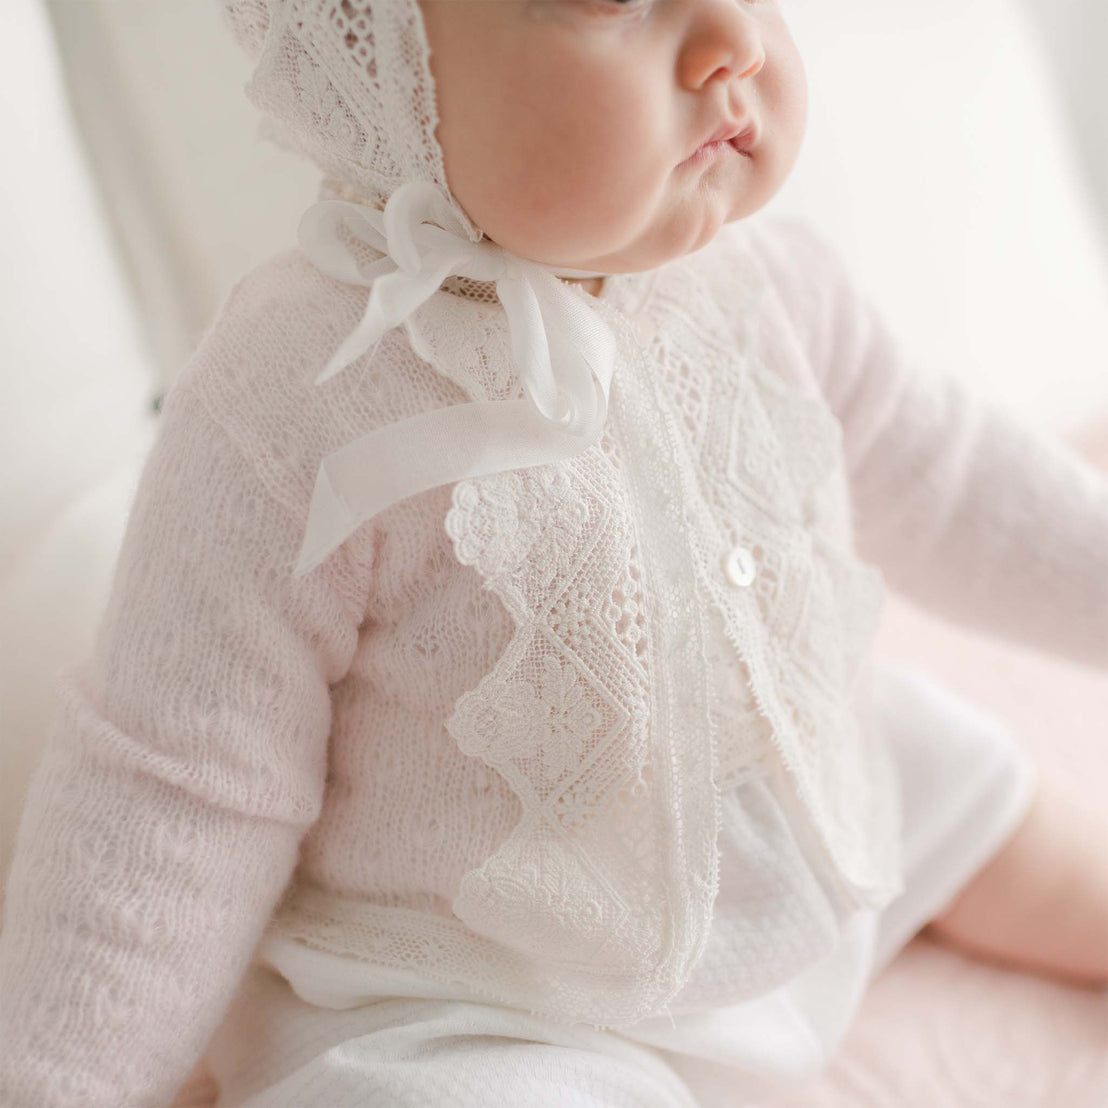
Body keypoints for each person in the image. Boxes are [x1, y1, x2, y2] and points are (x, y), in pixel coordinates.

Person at [1, 1, 1106, 1105]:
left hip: (801, 814)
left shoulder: (768, 281)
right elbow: (174, 784)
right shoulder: (295, 398)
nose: (733, 39)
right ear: (383, 66)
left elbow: (954, 476)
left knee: (934, 755)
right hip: (500, 997)